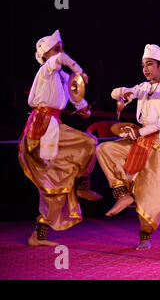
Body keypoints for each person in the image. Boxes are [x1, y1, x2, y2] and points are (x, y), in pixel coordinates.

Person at [18, 29, 100, 247]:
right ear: (45, 55)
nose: (60, 52)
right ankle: (82, 185)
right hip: (42, 128)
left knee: (55, 185)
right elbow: (63, 61)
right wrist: (80, 70)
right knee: (87, 143)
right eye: (55, 49)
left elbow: (76, 93)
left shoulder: (63, 76)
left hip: (54, 126)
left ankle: (39, 235)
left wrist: (83, 109)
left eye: (61, 47)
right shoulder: (46, 70)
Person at [96, 44, 160, 250]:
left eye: (150, 64)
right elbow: (117, 92)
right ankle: (122, 194)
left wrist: (140, 132)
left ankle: (145, 235)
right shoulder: (143, 88)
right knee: (105, 149)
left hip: (158, 144)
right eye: (143, 65)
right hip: (139, 140)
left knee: (150, 193)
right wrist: (122, 94)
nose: (145, 69)